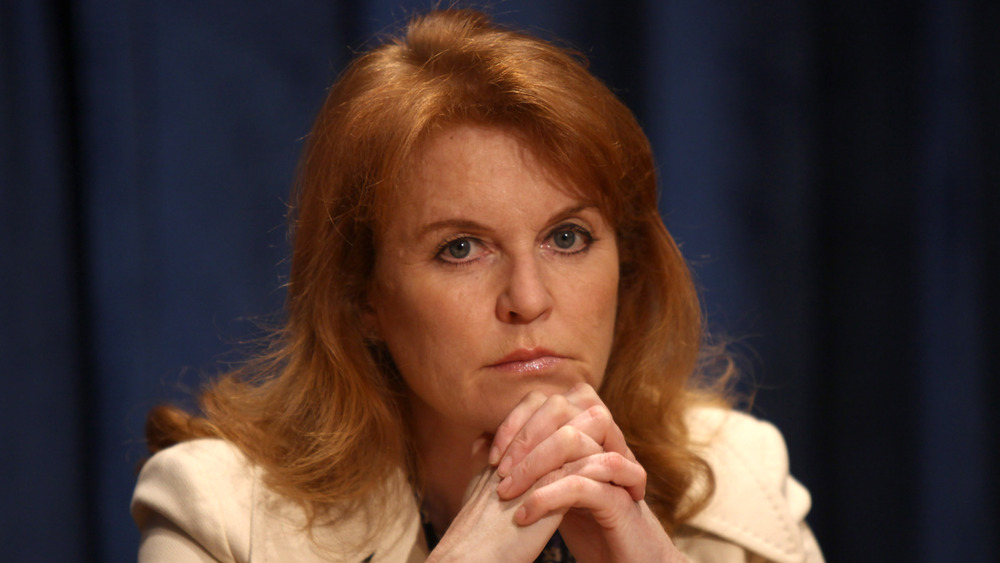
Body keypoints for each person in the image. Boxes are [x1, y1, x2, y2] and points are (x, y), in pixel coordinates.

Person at [132, 9, 823, 562]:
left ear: (628, 262)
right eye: (461, 248)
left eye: (568, 237)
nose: (527, 297)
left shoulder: (738, 476)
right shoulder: (218, 514)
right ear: (362, 295)